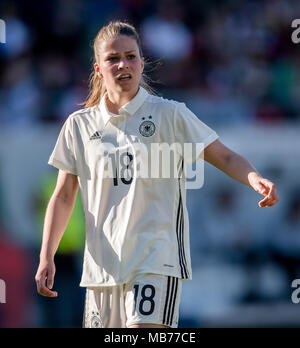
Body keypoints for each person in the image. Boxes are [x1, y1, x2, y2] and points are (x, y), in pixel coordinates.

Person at [35, 21, 279, 328]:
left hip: (154, 258)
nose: (123, 64)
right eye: (113, 58)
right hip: (102, 268)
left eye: (131, 56)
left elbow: (225, 156)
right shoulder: (78, 125)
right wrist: (47, 256)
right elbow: (63, 196)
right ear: (98, 69)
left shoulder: (169, 114)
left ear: (141, 62)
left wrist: (254, 178)